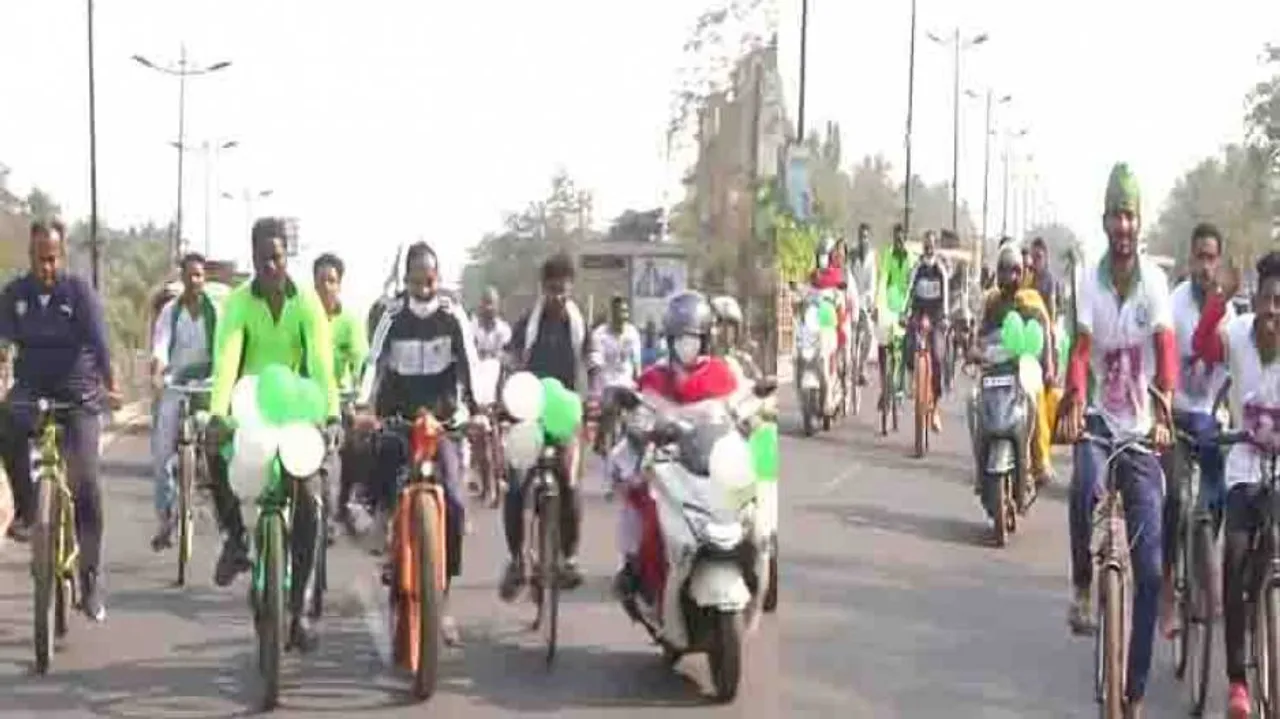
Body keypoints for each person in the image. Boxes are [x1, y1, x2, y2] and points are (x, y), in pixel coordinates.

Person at [1057, 163, 1175, 717]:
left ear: (1138, 221)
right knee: (1083, 483)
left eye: (1130, 215)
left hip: (1142, 429)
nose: (1123, 225)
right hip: (1102, 421)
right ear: (1104, 221)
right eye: (1115, 215)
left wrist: (1165, 408)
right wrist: (1074, 399)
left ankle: (1136, 689)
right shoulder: (1090, 283)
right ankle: (1084, 588)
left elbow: (1166, 350)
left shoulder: (1155, 283)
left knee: (1149, 570)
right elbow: (1081, 352)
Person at [206, 217, 339, 651]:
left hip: (298, 411)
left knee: (311, 501)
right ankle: (235, 538)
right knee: (213, 451)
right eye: (263, 258)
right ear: (253, 258)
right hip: (250, 409)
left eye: (277, 257)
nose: (270, 266)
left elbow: (321, 364)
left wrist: (332, 415)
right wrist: (217, 413)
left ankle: (299, 610)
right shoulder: (239, 304)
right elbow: (227, 359)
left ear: (287, 257)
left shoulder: (307, 304)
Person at [354, 242, 478, 647]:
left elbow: (470, 365)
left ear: (438, 278)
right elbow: (373, 363)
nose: (424, 288)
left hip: (441, 423)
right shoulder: (391, 316)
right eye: (417, 280)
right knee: (383, 470)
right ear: (405, 280)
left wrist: (478, 410)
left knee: (455, 503)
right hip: (398, 419)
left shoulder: (453, 315)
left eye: (430, 279)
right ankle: (383, 529)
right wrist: (363, 406)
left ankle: (441, 599)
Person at [0, 219, 121, 620]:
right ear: (30, 256)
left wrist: (112, 385)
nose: (46, 267)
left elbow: (100, 345)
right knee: (5, 421)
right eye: (40, 259)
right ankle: (27, 510)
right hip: (32, 390)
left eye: (52, 259)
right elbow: (2, 344)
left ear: (62, 256)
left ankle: (90, 580)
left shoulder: (79, 293)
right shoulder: (14, 295)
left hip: (78, 395)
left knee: (87, 483)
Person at [609, 291, 739, 599]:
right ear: (669, 340)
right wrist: (641, 425)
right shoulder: (654, 377)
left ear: (705, 339)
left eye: (692, 338)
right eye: (680, 339)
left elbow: (735, 411)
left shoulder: (721, 374)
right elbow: (639, 410)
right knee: (638, 499)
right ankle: (631, 567)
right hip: (667, 464)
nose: (686, 346)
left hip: (709, 463)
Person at [1156, 222, 1237, 638]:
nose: (1206, 266)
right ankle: (1168, 589)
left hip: (1210, 419)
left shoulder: (1228, 313)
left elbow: (1234, 371)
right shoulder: (1172, 305)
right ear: (1189, 260)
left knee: (1217, 498)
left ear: (1218, 263)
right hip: (1176, 416)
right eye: (1200, 257)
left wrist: (1226, 409)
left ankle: (1205, 566)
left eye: (1212, 259)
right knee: (1174, 499)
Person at [499, 253, 595, 599]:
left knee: (569, 483)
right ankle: (516, 559)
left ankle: (568, 558)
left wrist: (594, 400)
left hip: (565, 416)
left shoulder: (580, 327)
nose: (558, 297)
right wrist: (501, 402)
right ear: (543, 288)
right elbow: (508, 365)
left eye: (563, 291)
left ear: (571, 289)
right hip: (528, 414)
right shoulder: (527, 325)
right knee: (515, 486)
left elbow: (593, 368)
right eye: (552, 290)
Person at [1217, 251, 1280, 717]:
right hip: (1243, 463)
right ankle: (1237, 680)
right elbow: (1202, 346)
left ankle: (1266, 616)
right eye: (1268, 300)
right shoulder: (1237, 335)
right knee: (1234, 557)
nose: (1273, 311)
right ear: (1255, 300)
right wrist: (1217, 297)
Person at [967, 244, 1053, 493]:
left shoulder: (1032, 300)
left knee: (1033, 397)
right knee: (972, 401)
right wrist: (974, 351)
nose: (1010, 277)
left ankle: (1036, 462)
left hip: (1023, 366)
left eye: (1015, 271)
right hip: (995, 366)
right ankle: (980, 467)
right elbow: (980, 335)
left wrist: (1048, 365)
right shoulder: (991, 302)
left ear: (1022, 273)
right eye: (1004, 270)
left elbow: (1045, 332)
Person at [149, 252, 219, 550]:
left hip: (207, 387)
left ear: (205, 279)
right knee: (161, 451)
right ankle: (165, 517)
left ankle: (219, 506)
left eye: (199, 275)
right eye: (189, 275)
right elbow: (160, 346)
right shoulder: (170, 312)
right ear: (182, 278)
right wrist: (158, 372)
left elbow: (224, 350)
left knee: (218, 443)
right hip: (175, 384)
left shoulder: (216, 312)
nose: (194, 281)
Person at [313, 253, 371, 532]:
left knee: (357, 443)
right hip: (307, 397)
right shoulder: (304, 316)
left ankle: (347, 500)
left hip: (339, 397)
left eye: (331, 281)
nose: (326, 287)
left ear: (339, 284)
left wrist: (359, 395)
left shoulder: (349, 321)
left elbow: (361, 361)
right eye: (321, 281)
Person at [902, 229, 950, 430]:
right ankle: (911, 379)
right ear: (923, 246)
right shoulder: (917, 268)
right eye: (926, 244)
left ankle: (935, 409)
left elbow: (945, 296)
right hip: (918, 313)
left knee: (938, 356)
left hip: (936, 317)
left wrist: (945, 317)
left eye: (932, 244)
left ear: (936, 246)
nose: (929, 247)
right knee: (908, 343)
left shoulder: (940, 269)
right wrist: (904, 312)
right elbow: (908, 292)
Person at [469, 286, 511, 499]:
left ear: (498, 305)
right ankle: (485, 485)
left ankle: (501, 478)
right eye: (485, 302)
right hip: (477, 390)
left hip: (497, 388)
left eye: (492, 303)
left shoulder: (504, 331)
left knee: (499, 441)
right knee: (479, 441)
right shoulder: (470, 329)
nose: (488, 307)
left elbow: (507, 365)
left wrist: (502, 394)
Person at [588, 295, 642, 455]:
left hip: (627, 384)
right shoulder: (600, 334)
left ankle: (632, 444)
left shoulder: (632, 333)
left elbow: (637, 364)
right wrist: (595, 388)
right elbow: (596, 364)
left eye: (625, 312)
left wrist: (641, 385)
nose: (622, 316)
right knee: (610, 405)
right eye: (618, 312)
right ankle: (602, 439)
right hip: (607, 384)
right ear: (612, 314)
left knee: (641, 411)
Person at [876, 223, 913, 411]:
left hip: (904, 307)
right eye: (896, 239)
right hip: (888, 305)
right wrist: (878, 304)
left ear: (905, 239)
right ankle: (884, 386)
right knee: (883, 344)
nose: (898, 242)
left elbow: (912, 284)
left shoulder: (911, 259)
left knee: (904, 345)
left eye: (901, 239)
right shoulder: (888, 255)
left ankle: (900, 386)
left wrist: (909, 308)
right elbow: (883, 279)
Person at [848, 223, 878, 385]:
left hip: (865, 301)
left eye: (866, 237)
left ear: (869, 238)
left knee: (869, 333)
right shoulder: (851, 255)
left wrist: (869, 301)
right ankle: (849, 366)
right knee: (850, 336)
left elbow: (872, 283)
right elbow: (848, 277)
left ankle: (862, 366)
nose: (863, 239)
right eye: (861, 236)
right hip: (851, 300)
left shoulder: (872, 257)